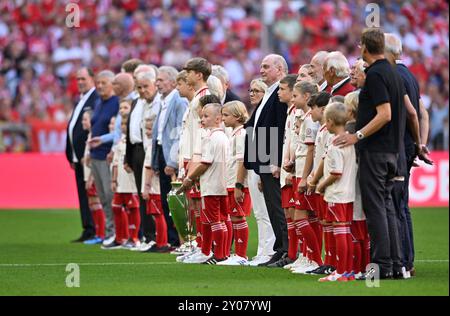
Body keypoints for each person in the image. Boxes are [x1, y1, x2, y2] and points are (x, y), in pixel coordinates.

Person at [334, 28, 406, 279]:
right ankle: (396, 265)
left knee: (375, 209)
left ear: (364, 46)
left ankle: (381, 266)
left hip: (376, 151)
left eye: (360, 44)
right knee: (386, 208)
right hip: (392, 151)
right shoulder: (393, 72)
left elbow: (384, 114)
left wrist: (357, 135)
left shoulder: (375, 74)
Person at [384, 33, 433, 277]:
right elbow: (423, 113)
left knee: (395, 206)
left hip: (396, 149)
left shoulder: (393, 77)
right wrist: (420, 144)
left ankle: (401, 261)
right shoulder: (410, 77)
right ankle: (407, 262)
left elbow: (413, 114)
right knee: (402, 206)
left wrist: (414, 143)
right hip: (407, 147)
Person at [244, 54, 289, 267]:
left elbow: (280, 129)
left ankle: (285, 249)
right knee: (271, 206)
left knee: (277, 206)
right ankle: (279, 249)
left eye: (266, 67)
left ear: (280, 69)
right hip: (264, 158)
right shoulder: (271, 92)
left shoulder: (281, 92)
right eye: (261, 66)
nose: (261, 70)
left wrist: (276, 161)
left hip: (271, 159)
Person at [181, 103, 229, 264]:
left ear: (218, 118)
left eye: (206, 116)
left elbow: (205, 163)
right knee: (220, 220)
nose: (202, 119)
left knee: (214, 221)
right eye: (202, 116)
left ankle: (219, 255)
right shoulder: (223, 137)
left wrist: (190, 178)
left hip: (211, 186)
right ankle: (218, 253)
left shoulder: (210, 138)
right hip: (221, 184)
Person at [317, 102, 357, 282]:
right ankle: (348, 271)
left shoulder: (335, 145)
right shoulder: (351, 141)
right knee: (347, 232)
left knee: (339, 233)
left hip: (336, 194)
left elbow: (336, 173)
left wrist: (321, 185)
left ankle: (340, 272)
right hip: (349, 193)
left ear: (330, 122)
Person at [152, 66, 189, 248]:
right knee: (166, 200)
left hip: (170, 156)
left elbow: (178, 132)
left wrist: (172, 161)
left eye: (160, 80)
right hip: (162, 152)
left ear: (173, 82)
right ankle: (172, 239)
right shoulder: (164, 100)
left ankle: (178, 239)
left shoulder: (178, 101)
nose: (156, 84)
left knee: (173, 200)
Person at [291, 81, 323, 274]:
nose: (293, 99)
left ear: (306, 97)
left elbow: (311, 149)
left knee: (303, 216)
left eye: (295, 96)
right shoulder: (304, 116)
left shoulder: (311, 119)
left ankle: (315, 259)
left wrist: (305, 177)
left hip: (306, 173)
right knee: (306, 217)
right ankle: (310, 257)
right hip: (301, 171)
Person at [125, 68, 158, 250]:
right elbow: (132, 130)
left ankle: (155, 235)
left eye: (145, 85)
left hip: (149, 151)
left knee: (152, 194)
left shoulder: (156, 102)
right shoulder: (137, 102)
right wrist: (128, 157)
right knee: (142, 194)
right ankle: (147, 235)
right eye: (138, 86)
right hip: (137, 151)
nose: (142, 90)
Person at [65, 67, 99, 243]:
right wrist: (71, 155)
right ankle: (88, 227)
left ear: (92, 79)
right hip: (79, 156)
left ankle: (95, 228)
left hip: (89, 155)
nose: (80, 82)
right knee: (83, 192)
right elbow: (73, 129)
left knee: (92, 192)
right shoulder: (82, 99)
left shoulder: (95, 99)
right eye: (77, 79)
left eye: (83, 79)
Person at [244, 78, 276, 266]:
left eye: (257, 90)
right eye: (251, 90)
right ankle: (262, 250)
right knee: (259, 212)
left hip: (262, 166)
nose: (252, 93)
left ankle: (269, 250)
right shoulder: (255, 113)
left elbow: (267, 140)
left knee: (265, 212)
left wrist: (263, 171)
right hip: (255, 165)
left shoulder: (264, 114)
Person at [267, 74, 298, 268]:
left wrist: (279, 161)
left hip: (291, 166)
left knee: (294, 213)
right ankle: (289, 252)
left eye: (282, 89)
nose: (278, 93)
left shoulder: (297, 112)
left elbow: (268, 129)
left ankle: (293, 252)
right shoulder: (288, 110)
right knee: (286, 212)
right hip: (282, 164)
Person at [304, 91, 335, 275]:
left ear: (323, 109)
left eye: (313, 108)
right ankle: (329, 261)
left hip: (326, 183)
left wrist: (315, 179)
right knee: (325, 222)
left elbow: (325, 158)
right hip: (320, 182)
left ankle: (333, 262)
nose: (311, 112)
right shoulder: (322, 130)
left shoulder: (328, 133)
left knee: (330, 223)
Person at [217, 101, 251, 266]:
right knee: (232, 217)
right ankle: (234, 253)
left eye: (226, 115)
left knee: (238, 217)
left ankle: (241, 255)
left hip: (238, 183)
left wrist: (239, 185)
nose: (223, 119)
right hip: (229, 182)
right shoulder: (233, 134)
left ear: (237, 116)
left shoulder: (242, 135)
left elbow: (242, 161)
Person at [89, 70, 120, 242]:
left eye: (104, 83)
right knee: (103, 196)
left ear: (112, 85)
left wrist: (110, 148)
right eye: (98, 83)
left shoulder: (116, 102)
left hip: (107, 154)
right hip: (96, 154)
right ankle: (110, 231)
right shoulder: (99, 102)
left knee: (110, 195)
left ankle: (116, 231)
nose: (100, 86)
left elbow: (117, 130)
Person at [343, 91, 371, 279]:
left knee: (356, 228)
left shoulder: (351, 130)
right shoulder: (364, 128)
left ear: (352, 109)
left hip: (352, 184)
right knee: (364, 230)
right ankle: (366, 270)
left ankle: (358, 268)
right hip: (364, 181)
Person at [103, 115, 140, 249]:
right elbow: (115, 163)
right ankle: (120, 237)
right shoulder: (120, 142)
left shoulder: (133, 141)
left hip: (130, 181)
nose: (124, 126)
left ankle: (134, 237)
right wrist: (113, 180)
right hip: (119, 182)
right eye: (122, 124)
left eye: (126, 124)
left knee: (133, 209)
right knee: (116, 207)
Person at [143, 114, 172, 252]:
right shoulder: (152, 145)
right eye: (146, 129)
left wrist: (146, 187)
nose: (148, 132)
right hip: (156, 187)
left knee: (158, 214)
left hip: (155, 188)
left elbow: (149, 168)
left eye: (150, 129)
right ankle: (160, 240)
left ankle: (162, 242)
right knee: (158, 215)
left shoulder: (152, 146)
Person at [81, 109, 106, 245]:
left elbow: (94, 160)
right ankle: (98, 233)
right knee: (93, 205)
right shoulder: (90, 135)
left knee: (97, 204)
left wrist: (91, 177)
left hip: (92, 176)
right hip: (88, 175)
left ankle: (101, 234)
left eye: (85, 119)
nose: (83, 122)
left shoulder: (95, 137)